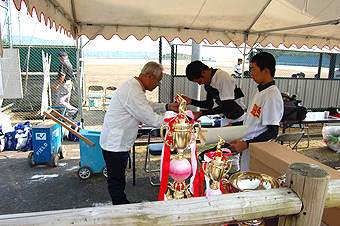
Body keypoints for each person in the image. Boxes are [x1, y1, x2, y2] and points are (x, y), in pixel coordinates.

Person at [99, 61, 179, 205]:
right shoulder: (133, 90)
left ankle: (121, 205)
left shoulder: (134, 87)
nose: (158, 84)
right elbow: (150, 118)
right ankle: (121, 209)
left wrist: (167, 107)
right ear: (149, 76)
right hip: (115, 144)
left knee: (117, 178)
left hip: (117, 141)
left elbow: (146, 105)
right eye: (158, 80)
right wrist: (178, 124)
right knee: (116, 181)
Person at [182, 60, 246, 174]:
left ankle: (232, 177)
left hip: (237, 120)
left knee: (230, 153)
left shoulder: (222, 78)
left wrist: (201, 114)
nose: (199, 84)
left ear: (204, 72)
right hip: (226, 119)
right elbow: (208, 104)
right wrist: (191, 101)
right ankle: (225, 178)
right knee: (226, 152)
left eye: (199, 81)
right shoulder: (209, 82)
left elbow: (226, 105)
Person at [228, 52, 283, 172]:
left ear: (265, 71)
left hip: (259, 149)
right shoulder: (258, 90)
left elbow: (273, 131)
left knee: (253, 183)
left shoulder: (272, 95)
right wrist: (233, 126)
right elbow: (252, 120)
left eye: (253, 69)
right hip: (249, 147)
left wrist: (246, 144)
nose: (251, 74)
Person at [52, 51, 78, 119]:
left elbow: (62, 76)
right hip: (69, 83)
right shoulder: (69, 63)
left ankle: (73, 111)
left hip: (64, 83)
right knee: (66, 101)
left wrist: (57, 85)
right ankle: (64, 116)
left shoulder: (63, 64)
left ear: (60, 58)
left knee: (60, 101)